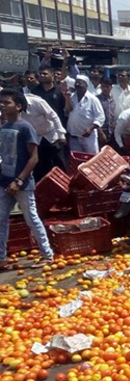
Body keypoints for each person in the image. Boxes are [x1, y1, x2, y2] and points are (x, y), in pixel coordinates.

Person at [0, 89, 53, 269]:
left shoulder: (25, 127)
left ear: (19, 106)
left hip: (22, 183)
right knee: (1, 219)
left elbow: (34, 157)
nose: (2, 105)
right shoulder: (4, 127)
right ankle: (1, 258)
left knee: (31, 218)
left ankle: (47, 254)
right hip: (4, 181)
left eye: (6, 102)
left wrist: (19, 181)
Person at [23, 94, 67, 181]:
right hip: (37, 138)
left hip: (51, 135)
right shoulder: (16, 110)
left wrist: (61, 135)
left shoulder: (37, 102)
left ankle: (65, 182)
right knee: (42, 165)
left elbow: (54, 116)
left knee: (59, 161)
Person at [67, 75, 105, 154]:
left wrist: (90, 128)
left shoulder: (93, 99)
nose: (77, 84)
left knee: (91, 159)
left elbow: (100, 116)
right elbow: (67, 110)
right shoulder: (71, 96)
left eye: (80, 83)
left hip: (88, 137)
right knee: (76, 159)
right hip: (74, 136)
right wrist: (67, 99)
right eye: (76, 83)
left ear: (86, 85)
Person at [97, 78, 116, 147]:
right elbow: (94, 118)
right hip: (100, 133)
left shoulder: (113, 101)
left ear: (111, 87)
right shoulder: (96, 100)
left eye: (107, 87)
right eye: (103, 86)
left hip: (111, 133)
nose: (105, 89)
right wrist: (100, 133)